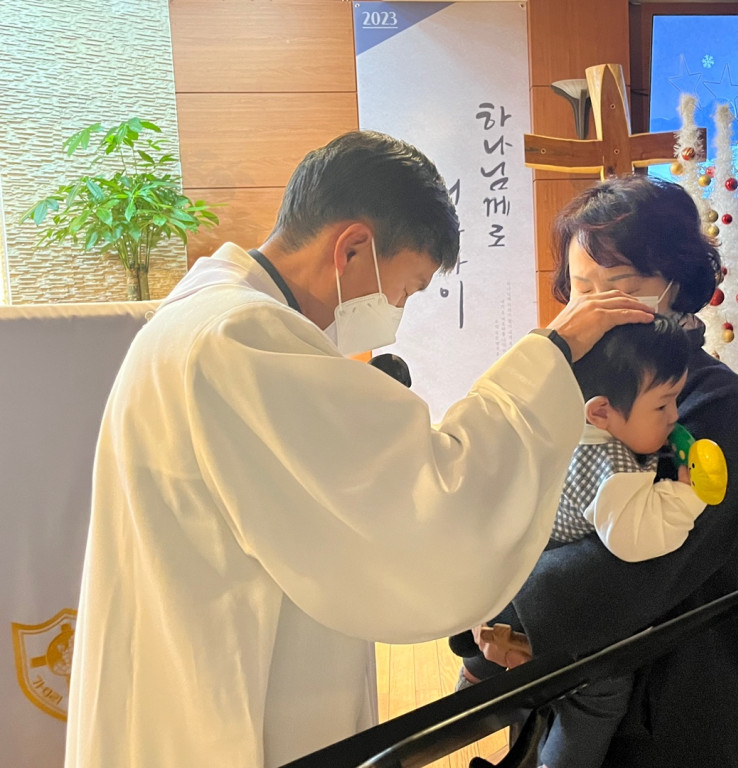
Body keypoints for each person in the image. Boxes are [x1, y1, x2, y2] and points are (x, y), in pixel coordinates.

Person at [63, 131, 655, 768]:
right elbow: (433, 502)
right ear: (351, 247)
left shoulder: (205, 314)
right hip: (218, 699)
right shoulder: (241, 338)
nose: (397, 309)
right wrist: (552, 353)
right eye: (407, 289)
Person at [467, 175, 738, 767]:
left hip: (668, 694)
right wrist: (485, 618)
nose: (597, 309)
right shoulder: (564, 382)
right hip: (558, 670)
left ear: (676, 286)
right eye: (583, 290)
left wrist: (511, 606)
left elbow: (650, 561)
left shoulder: (713, 399)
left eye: (621, 288)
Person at [452, 317, 711, 768]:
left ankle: (466, 698)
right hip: (546, 614)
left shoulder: (572, 433)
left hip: (512, 588)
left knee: (497, 669)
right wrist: (686, 496)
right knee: (601, 693)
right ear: (602, 412)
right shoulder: (614, 470)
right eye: (663, 405)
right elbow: (635, 539)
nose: (675, 416)